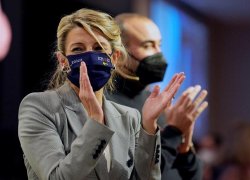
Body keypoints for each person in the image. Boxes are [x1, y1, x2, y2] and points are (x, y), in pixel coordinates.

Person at [18, 8, 186, 180]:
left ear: (115, 58)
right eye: (78, 49)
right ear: (63, 61)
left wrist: (149, 125)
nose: (89, 55)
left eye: (99, 48)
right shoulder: (40, 107)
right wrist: (96, 123)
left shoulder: (130, 117)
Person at [105, 13, 208, 179]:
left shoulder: (157, 101)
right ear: (118, 53)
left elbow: (192, 176)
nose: (159, 54)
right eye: (148, 45)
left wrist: (185, 146)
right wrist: (174, 133)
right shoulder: (103, 105)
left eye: (159, 45)